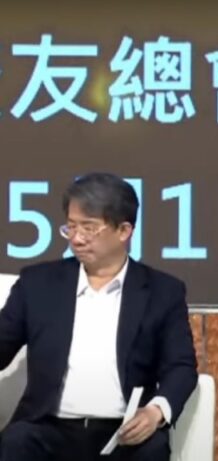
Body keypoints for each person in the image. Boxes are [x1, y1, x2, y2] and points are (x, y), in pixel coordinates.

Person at [0, 173, 198, 461]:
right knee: (15, 442)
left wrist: (155, 412)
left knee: (153, 449)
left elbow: (181, 366)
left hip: (123, 433)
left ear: (124, 231)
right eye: (71, 227)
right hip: (47, 430)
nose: (77, 239)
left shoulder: (162, 292)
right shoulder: (37, 284)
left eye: (89, 228)